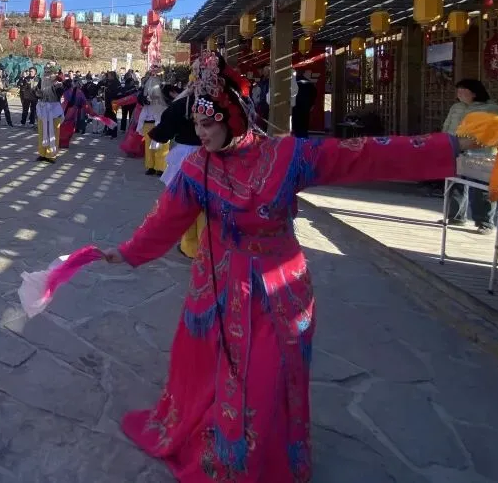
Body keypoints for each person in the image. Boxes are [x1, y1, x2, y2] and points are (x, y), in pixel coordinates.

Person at [101, 51, 475, 482]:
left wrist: (452, 145)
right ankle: (228, 457)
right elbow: (165, 220)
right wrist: (126, 252)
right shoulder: (197, 169)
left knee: (268, 377)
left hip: (280, 290)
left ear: (232, 119)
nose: (201, 134)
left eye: (209, 124)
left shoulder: (287, 156)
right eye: (197, 125)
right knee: (220, 375)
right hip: (220, 289)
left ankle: (265, 457)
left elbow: (363, 155)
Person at [148, 83, 205, 258]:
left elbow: (163, 132)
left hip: (185, 155)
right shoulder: (222, 102)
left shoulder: (183, 104)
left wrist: (155, 133)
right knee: (207, 203)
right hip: (211, 154)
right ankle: (206, 248)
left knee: (185, 200)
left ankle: (190, 246)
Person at [441, 78, 498, 233]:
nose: (459, 93)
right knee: (455, 184)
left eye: (463, 90)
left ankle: (485, 223)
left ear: (475, 93)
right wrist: (444, 141)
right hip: (456, 148)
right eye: (458, 90)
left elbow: (496, 130)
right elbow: (447, 125)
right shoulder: (456, 107)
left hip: (481, 152)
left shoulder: (491, 108)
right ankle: (456, 217)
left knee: (481, 188)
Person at [138, 73, 168, 177]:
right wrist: (146, 99)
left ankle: (160, 168)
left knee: (161, 147)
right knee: (149, 147)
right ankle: (150, 167)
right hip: (148, 122)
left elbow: (170, 101)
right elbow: (140, 99)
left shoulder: (165, 89)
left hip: (162, 123)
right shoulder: (145, 92)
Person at [34, 69, 64, 163]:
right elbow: (36, 93)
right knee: (42, 132)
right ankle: (42, 154)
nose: (47, 75)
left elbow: (60, 93)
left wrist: (56, 85)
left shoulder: (58, 83)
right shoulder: (41, 81)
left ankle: (51, 155)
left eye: (50, 73)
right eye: (46, 72)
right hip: (42, 109)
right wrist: (37, 93)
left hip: (54, 111)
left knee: (53, 133)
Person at [59, 77, 94, 150]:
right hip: (73, 111)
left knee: (62, 126)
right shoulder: (78, 92)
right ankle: (65, 143)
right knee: (70, 127)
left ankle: (61, 142)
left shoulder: (63, 91)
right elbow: (84, 101)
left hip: (63, 111)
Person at [291, 68, 316, 137]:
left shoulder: (293, 82)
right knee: (304, 124)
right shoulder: (309, 82)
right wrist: (311, 104)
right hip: (305, 107)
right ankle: (304, 138)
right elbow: (314, 93)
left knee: (296, 124)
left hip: (296, 106)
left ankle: (297, 138)